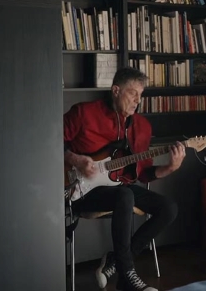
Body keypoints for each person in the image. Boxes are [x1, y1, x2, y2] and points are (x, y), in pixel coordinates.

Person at [64, 67, 186, 291]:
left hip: (120, 187)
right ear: (116, 91)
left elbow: (143, 173)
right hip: (81, 189)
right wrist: (76, 159)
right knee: (125, 194)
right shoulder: (83, 113)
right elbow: (48, 138)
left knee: (168, 208)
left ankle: (117, 261)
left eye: (141, 95)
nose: (138, 100)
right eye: (133, 93)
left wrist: (170, 167)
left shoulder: (142, 127)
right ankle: (127, 276)